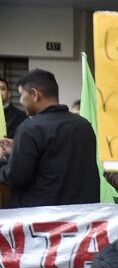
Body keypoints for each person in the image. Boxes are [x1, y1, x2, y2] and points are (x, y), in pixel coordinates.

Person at [0, 69, 98, 207]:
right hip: (82, 217)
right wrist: (18, 149)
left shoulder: (30, 128)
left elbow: (17, 177)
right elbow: (55, 162)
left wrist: (4, 162)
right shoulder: (83, 125)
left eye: (22, 95)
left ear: (35, 94)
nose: (21, 101)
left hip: (43, 219)